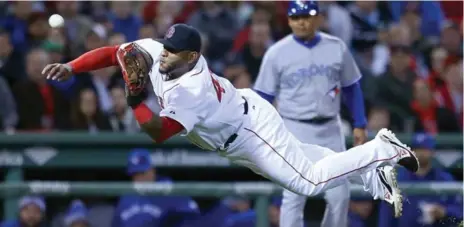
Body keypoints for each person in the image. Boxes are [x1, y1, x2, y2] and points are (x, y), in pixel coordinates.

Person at [42, 23, 420, 219]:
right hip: (234, 126)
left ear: (191, 56)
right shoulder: (157, 51)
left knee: (307, 181)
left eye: (173, 51)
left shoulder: (191, 90)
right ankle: (371, 171)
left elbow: (158, 132)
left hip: (249, 130)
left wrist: (134, 98)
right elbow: (114, 52)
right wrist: (72, 66)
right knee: (307, 157)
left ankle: (379, 149)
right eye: (165, 44)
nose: (163, 53)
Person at [253, 1, 367, 227]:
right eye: (296, 17)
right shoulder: (277, 53)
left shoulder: (336, 47)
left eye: (307, 16)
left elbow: (352, 87)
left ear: (319, 18)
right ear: (289, 20)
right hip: (293, 128)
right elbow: (262, 97)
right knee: (294, 195)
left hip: (330, 128)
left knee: (340, 195)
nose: (302, 22)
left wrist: (360, 123)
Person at [377, 133, 463, 227]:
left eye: (424, 149)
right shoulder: (398, 180)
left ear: (432, 151)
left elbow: (459, 211)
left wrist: (444, 212)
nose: (420, 153)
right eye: (417, 149)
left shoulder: (444, 179)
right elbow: (386, 218)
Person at [111, 149, 200, 227]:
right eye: (135, 174)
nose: (140, 178)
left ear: (152, 170)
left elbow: (191, 219)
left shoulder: (169, 190)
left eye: (142, 173)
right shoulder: (127, 197)